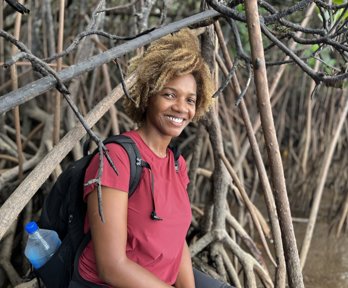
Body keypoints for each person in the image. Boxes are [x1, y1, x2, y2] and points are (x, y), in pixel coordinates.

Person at [69, 28, 233, 288]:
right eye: (169, 95)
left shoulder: (177, 164)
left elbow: (175, 239)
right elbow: (111, 266)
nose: (181, 107)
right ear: (148, 96)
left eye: (190, 100)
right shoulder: (116, 158)